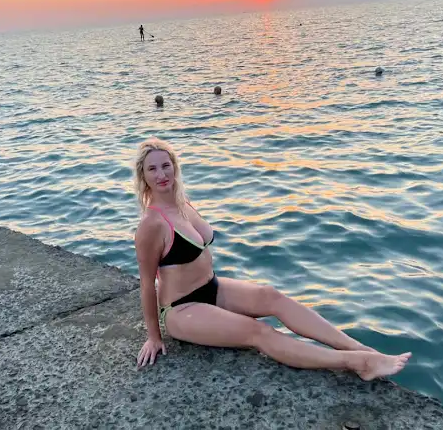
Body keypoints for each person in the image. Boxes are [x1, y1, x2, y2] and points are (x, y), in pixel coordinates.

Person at [134, 138, 412, 378]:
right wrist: (154, 337)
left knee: (272, 296)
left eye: (166, 165)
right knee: (258, 333)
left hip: (212, 288)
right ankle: (356, 363)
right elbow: (147, 285)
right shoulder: (151, 225)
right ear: (143, 176)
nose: (161, 174)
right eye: (152, 169)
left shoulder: (183, 204)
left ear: (175, 167)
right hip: (182, 309)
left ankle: (358, 348)